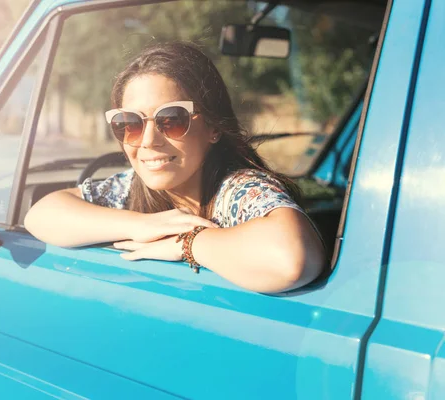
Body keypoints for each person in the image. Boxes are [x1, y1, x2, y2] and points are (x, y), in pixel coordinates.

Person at [25, 42, 326, 293]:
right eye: (129, 123)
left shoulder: (238, 187)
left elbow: (292, 260)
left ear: (213, 128)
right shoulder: (130, 187)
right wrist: (141, 226)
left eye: (171, 119)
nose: (148, 140)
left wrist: (189, 242)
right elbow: (40, 215)